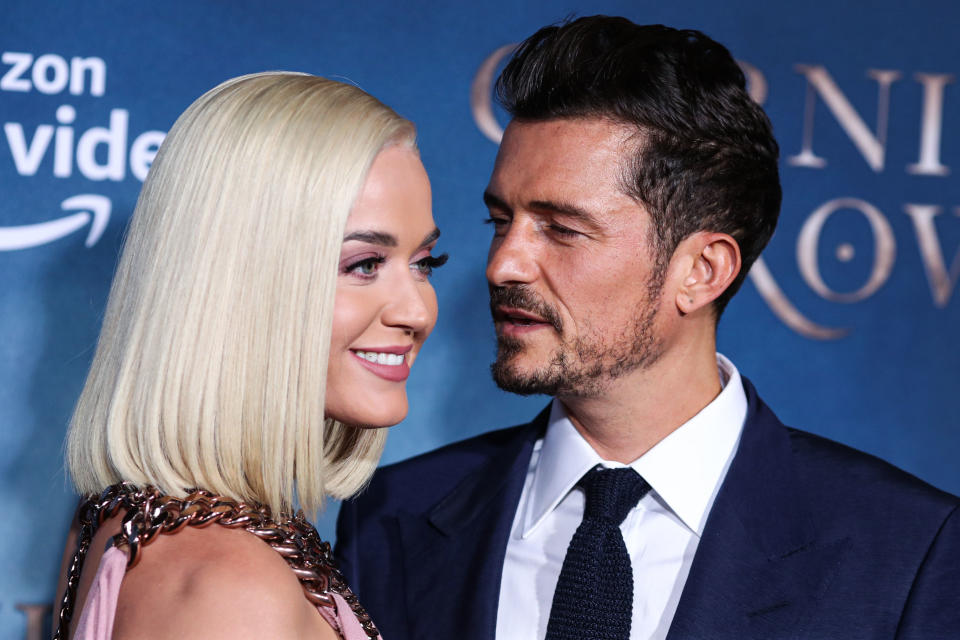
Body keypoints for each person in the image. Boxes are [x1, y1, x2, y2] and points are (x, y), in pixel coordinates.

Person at [335, 16, 960, 640]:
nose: (504, 265)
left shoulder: (907, 552)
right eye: (502, 220)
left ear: (702, 271)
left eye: (561, 228)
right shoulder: (391, 515)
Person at [53, 71, 445, 640]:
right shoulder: (233, 589)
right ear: (241, 284)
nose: (418, 311)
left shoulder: (125, 521)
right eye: (364, 265)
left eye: (425, 262)